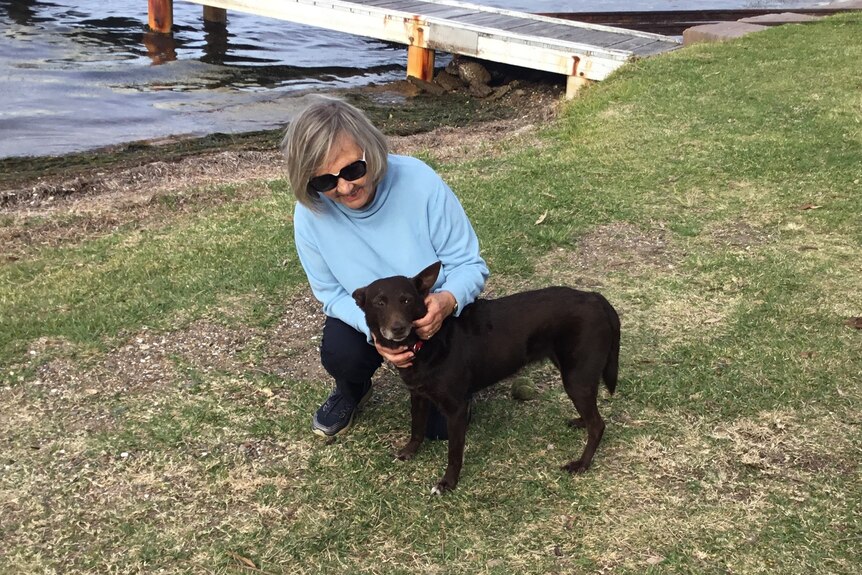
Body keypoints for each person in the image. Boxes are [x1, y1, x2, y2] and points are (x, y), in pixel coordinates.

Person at [280, 96, 488, 439]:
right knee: (340, 353)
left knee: (441, 429)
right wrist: (374, 333)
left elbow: (468, 264)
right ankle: (352, 389)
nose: (345, 187)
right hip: (372, 312)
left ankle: (457, 377)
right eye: (325, 182)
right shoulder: (309, 216)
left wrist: (448, 301)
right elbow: (331, 294)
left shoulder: (419, 181)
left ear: (371, 150)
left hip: (432, 310)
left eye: (353, 170)